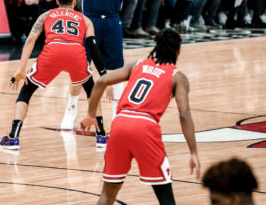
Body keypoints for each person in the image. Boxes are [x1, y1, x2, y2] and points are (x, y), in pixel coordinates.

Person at [81, 28, 200, 205]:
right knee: (165, 195)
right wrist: (193, 152)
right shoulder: (177, 77)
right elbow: (184, 115)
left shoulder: (137, 65)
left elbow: (100, 81)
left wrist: (91, 114)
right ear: (178, 50)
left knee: (108, 193)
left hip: (119, 124)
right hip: (145, 127)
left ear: (157, 46)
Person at [0, 0, 107, 149]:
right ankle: (101, 135)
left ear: (57, 1)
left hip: (52, 52)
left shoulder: (45, 15)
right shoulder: (85, 19)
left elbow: (30, 40)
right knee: (90, 90)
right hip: (75, 53)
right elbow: (93, 47)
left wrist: (21, 69)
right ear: (73, 2)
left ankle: (13, 136)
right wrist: (103, 73)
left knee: (26, 92)